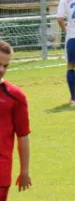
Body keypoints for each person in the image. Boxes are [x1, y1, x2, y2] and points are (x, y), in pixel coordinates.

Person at [0, 41, 32, 201]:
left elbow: (23, 135)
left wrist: (24, 171)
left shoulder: (15, 96)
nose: (1, 70)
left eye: (5, 66)